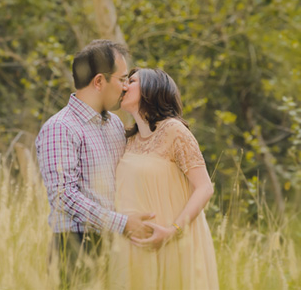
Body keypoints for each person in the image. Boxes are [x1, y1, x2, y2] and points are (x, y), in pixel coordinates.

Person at [36, 40, 158, 286]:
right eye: (122, 79)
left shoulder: (114, 124)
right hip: (76, 246)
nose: (126, 87)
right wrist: (123, 224)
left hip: (117, 242)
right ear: (99, 81)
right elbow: (63, 195)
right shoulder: (60, 128)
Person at [111, 68, 218, 289]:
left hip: (171, 241)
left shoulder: (174, 131)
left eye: (131, 81)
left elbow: (205, 187)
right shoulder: (129, 139)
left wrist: (172, 231)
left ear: (152, 88)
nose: (124, 86)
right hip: (134, 246)